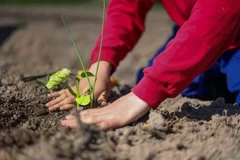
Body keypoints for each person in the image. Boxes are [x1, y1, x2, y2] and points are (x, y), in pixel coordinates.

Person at [45, 0, 240, 131]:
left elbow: (221, 12)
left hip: (225, 30)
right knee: (153, 83)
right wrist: (100, 66)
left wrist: (144, 94)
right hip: (192, 29)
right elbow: (127, 6)